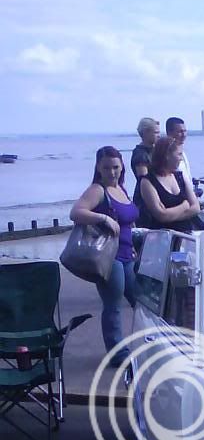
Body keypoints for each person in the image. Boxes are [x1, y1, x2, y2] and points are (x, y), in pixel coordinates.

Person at [70, 146, 139, 366]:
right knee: (113, 305)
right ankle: (117, 354)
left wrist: (134, 244)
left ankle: (147, 342)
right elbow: (76, 212)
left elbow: (128, 220)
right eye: (107, 167)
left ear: (122, 166)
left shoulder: (121, 188)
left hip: (128, 254)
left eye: (116, 167)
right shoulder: (97, 190)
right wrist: (104, 218)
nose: (112, 172)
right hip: (109, 257)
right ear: (98, 167)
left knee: (141, 301)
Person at [138, 136, 200, 233]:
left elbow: (196, 208)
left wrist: (170, 215)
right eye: (179, 154)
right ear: (167, 155)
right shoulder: (147, 181)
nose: (181, 159)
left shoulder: (180, 177)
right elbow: (161, 215)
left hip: (186, 235)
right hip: (163, 236)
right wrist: (184, 206)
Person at [130, 117, 160, 204]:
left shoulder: (155, 150)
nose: (159, 135)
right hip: (147, 198)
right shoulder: (140, 154)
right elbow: (144, 180)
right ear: (145, 133)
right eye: (156, 133)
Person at [165, 116, 193, 189]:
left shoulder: (182, 152)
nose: (184, 134)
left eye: (185, 131)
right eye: (180, 132)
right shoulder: (166, 154)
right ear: (169, 133)